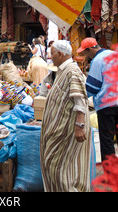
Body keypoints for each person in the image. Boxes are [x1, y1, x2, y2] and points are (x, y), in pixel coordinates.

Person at [40, 40, 91, 192]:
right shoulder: (65, 71)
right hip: (61, 131)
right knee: (60, 169)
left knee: (58, 168)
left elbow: (80, 99)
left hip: (67, 131)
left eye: (52, 54)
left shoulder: (72, 71)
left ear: (60, 54)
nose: (51, 58)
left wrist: (79, 126)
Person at [77, 37, 118, 162]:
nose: (86, 55)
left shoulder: (97, 60)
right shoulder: (117, 55)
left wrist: (82, 97)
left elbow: (93, 87)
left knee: (107, 139)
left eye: (86, 52)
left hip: (106, 105)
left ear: (90, 49)